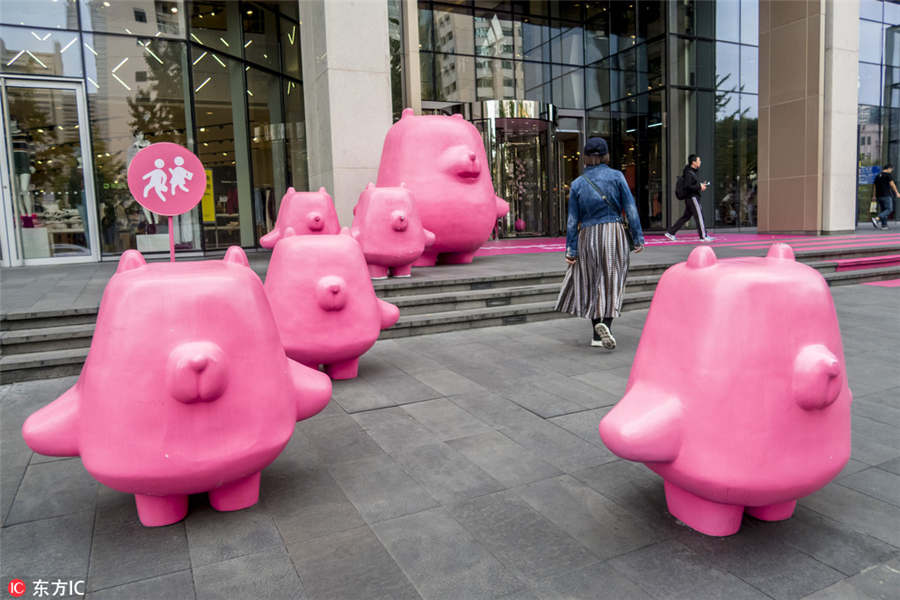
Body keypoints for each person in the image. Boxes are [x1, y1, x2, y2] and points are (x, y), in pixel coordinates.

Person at [555, 137, 644, 349]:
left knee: (591, 280)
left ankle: (596, 334)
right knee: (612, 279)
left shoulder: (577, 184)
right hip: (613, 232)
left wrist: (571, 249)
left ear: (585, 157)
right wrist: (638, 237)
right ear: (606, 156)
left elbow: (572, 221)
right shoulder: (617, 177)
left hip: (587, 235)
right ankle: (607, 325)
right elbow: (630, 209)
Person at [665, 154, 713, 242]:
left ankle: (671, 232)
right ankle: (703, 236)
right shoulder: (689, 173)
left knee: (686, 217)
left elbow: (691, 185)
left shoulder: (691, 172)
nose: (700, 162)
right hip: (692, 198)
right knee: (699, 216)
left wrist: (700, 185)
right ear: (694, 162)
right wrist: (699, 186)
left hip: (691, 198)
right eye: (699, 160)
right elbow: (688, 186)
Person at [872, 164, 898, 229]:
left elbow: (875, 187)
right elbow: (892, 185)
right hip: (886, 195)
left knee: (884, 210)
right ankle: (877, 219)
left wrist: (874, 196)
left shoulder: (877, 176)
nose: (891, 171)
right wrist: (897, 193)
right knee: (889, 209)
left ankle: (884, 225)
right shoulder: (888, 175)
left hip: (879, 196)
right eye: (891, 169)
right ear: (889, 168)